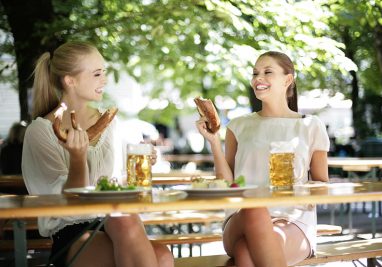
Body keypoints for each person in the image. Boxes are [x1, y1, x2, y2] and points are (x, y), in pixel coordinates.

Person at [22, 41, 173, 267]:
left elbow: (123, 183)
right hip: (71, 233)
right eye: (96, 74)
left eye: (104, 72)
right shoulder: (40, 132)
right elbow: (70, 206)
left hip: (117, 221)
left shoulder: (111, 125)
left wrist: (146, 162)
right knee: (156, 255)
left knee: (161, 253)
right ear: (70, 80)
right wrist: (77, 158)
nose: (104, 80)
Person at [196, 51, 329, 267]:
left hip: (293, 221)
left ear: (288, 80)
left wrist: (296, 193)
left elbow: (322, 185)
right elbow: (227, 184)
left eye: (268, 72)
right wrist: (213, 142)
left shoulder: (311, 125)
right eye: (255, 73)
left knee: (246, 254)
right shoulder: (238, 126)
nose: (258, 78)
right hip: (240, 218)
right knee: (254, 207)